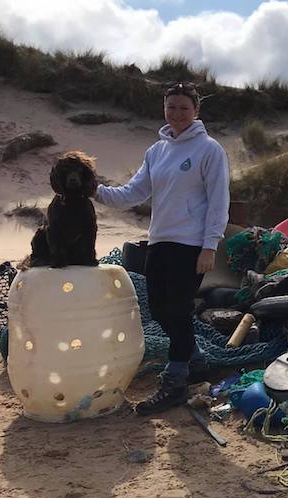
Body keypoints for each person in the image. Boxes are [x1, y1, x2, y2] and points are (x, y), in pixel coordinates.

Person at [96, 82, 230, 415]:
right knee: (159, 311)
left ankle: (175, 381)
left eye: (184, 107)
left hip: (191, 245)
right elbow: (132, 193)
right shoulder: (156, 151)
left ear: (196, 111)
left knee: (179, 310)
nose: (176, 114)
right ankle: (196, 360)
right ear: (164, 108)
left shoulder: (209, 150)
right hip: (159, 242)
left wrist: (209, 246)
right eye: (171, 107)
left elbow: (218, 202)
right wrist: (93, 190)